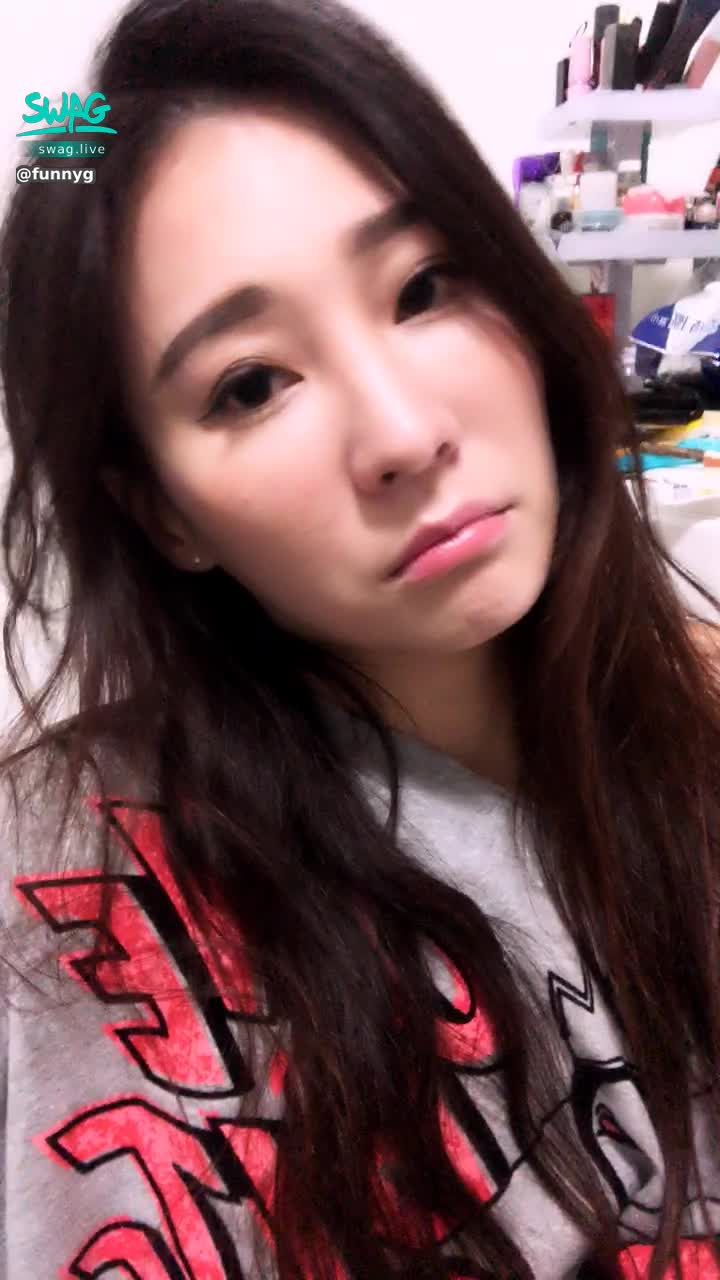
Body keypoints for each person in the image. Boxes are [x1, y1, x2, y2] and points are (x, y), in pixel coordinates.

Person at [1, 0, 720, 1276]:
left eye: (425, 286)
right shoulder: (59, 907)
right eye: (251, 383)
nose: (403, 434)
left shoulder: (692, 703)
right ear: (162, 510)